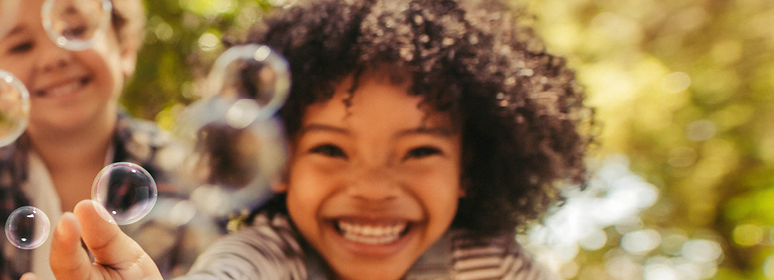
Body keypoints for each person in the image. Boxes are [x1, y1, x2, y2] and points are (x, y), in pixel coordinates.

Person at [37, 0, 592, 279]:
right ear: (276, 160)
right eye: (330, 149)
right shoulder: (266, 256)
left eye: (420, 151)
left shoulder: (489, 266)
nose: (372, 188)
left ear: (469, 168)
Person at [0, 0, 221, 279]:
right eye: (20, 45)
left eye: (74, 29)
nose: (53, 57)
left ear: (124, 48)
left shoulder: (193, 178)